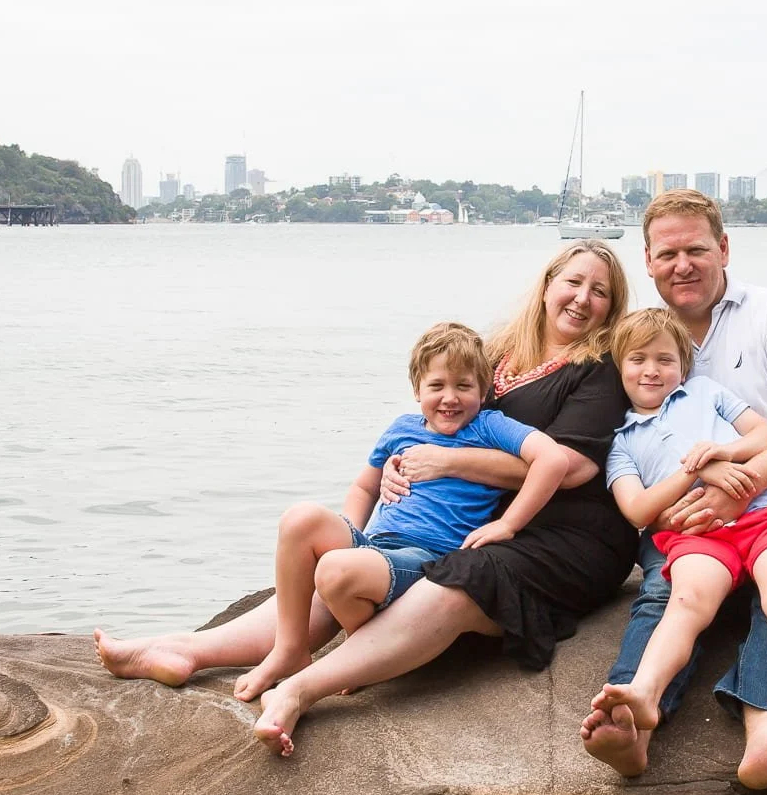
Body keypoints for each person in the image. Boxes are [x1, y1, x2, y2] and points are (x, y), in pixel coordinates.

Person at [95, 240, 636, 753]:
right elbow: (435, 422)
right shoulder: (494, 355)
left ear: (613, 308)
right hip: (472, 519)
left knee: (460, 578)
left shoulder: (599, 369)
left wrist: (445, 463)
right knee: (343, 566)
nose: (583, 299)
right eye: (573, 282)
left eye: (601, 291)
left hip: (565, 533)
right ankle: (187, 650)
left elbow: (570, 468)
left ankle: (301, 689)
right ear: (546, 285)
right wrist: (398, 471)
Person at [192, 322, 572, 754]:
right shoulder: (401, 428)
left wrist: (509, 524)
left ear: (484, 392)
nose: (450, 397)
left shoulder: (489, 427)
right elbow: (363, 488)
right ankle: (291, 648)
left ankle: (361, 658)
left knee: (335, 573)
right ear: (416, 389)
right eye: (437, 385)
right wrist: (352, 536)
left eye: (464, 386)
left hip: (427, 558)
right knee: (299, 519)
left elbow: (553, 460)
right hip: (375, 547)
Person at [583, 189, 767, 790]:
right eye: (668, 253)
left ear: (723, 248)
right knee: (662, 592)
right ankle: (633, 725)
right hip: (686, 529)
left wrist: (743, 483)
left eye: (697, 249)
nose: (683, 265)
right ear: (648, 261)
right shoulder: (638, 343)